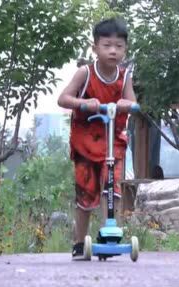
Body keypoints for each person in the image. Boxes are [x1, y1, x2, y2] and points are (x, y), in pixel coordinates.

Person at [57, 18, 138, 260]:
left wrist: (127, 103)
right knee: (86, 194)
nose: (113, 51)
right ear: (95, 47)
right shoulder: (86, 73)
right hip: (86, 144)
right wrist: (84, 103)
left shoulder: (124, 77)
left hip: (114, 141)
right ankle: (80, 243)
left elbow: (132, 103)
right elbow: (63, 99)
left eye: (119, 46)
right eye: (107, 45)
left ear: (125, 49)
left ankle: (108, 236)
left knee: (113, 190)